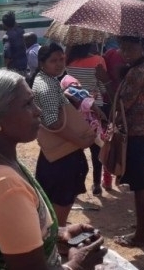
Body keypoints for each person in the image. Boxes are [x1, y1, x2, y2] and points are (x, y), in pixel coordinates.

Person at [0, 70, 106, 269]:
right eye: (27, 104)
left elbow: (2, 232)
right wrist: (78, 264)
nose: (38, 111)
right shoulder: (4, 185)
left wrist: (59, 234)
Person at [29, 43, 95, 226]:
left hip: (55, 153)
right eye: (53, 61)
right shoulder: (47, 86)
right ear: (42, 63)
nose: (59, 64)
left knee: (53, 196)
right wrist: (80, 141)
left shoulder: (45, 79)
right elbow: (53, 122)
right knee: (63, 196)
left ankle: (54, 232)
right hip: (62, 154)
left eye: (61, 59)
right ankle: (59, 235)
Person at [112, 36, 144, 248]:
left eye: (131, 48)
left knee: (139, 183)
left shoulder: (137, 72)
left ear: (143, 47)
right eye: (122, 48)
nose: (125, 52)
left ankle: (141, 235)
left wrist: (106, 80)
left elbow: (122, 104)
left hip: (136, 132)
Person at [64, 44, 113, 195]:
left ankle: (72, 183)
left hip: (74, 111)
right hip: (93, 110)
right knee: (96, 148)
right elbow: (103, 89)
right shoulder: (98, 60)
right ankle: (97, 184)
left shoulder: (68, 60)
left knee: (73, 149)